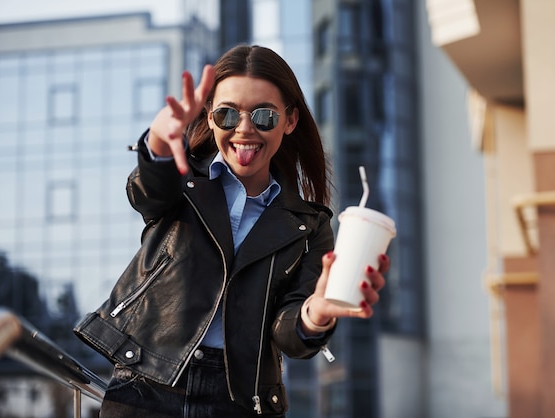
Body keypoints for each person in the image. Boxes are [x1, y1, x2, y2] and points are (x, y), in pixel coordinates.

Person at [74, 44, 390, 417]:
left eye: (264, 116)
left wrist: (315, 314)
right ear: (208, 118)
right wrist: (158, 139)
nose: (244, 129)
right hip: (147, 386)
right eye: (227, 114)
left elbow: (288, 332)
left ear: (290, 121)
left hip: (242, 400)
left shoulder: (310, 225)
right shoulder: (183, 180)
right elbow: (147, 190)